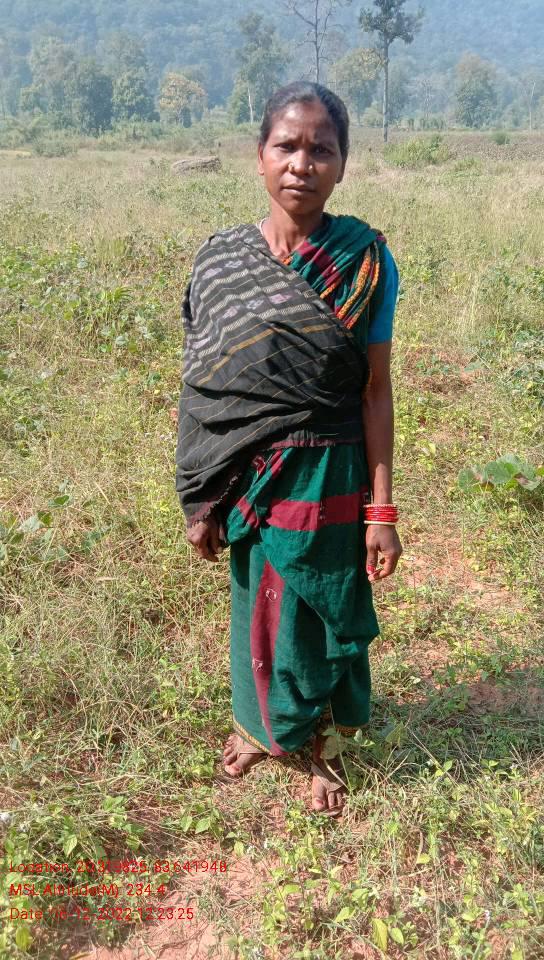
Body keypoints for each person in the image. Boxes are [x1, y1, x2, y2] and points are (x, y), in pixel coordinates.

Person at [175, 82, 402, 817]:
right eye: (287, 146)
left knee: (324, 605)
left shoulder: (365, 262)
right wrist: (202, 497)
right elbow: (206, 387)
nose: (302, 163)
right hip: (250, 472)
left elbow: (375, 390)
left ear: (342, 164)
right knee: (257, 602)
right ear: (260, 156)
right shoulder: (222, 262)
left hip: (331, 466)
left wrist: (382, 510)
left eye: (321, 149)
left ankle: (323, 747)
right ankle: (259, 726)